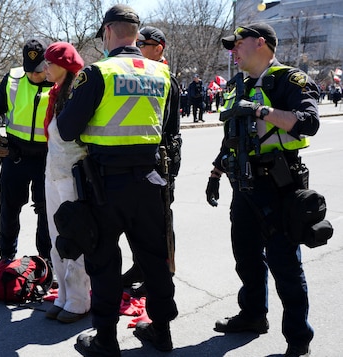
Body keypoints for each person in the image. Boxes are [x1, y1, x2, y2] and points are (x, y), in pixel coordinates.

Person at [56, 5, 178, 354]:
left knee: (104, 261)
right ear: (136, 35)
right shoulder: (162, 74)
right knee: (154, 259)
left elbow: (66, 130)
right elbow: (168, 130)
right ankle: (162, 331)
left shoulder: (98, 73)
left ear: (108, 31)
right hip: (150, 181)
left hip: (104, 185)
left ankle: (106, 340)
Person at [205, 23, 321, 357]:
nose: (233, 51)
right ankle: (253, 315)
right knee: (246, 255)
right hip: (243, 183)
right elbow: (234, 134)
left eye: (238, 44)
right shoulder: (237, 82)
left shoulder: (288, 79)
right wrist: (215, 170)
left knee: (285, 263)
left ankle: (298, 340)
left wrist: (261, 110)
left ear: (260, 43)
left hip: (278, 184)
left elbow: (309, 121)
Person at [121, 25, 182, 294]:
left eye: (143, 44)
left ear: (159, 48)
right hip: (141, 158)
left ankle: (162, 273)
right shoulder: (140, 75)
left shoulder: (165, 77)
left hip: (162, 158)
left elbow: (166, 124)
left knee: (159, 222)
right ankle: (140, 266)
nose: (139, 48)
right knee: (135, 220)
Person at [0, 39, 54, 261]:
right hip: (16, 156)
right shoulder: (13, 78)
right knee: (9, 207)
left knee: (46, 211)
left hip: (47, 157)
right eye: (30, 70)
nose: (34, 75)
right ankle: (6, 256)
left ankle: (45, 259)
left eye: (39, 70)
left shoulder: (60, 82)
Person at [41, 42, 91, 324]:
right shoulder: (55, 93)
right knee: (55, 237)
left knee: (73, 237)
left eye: (49, 62)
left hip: (72, 174)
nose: (45, 67)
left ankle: (79, 299)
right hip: (54, 172)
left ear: (64, 65)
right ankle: (65, 293)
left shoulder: (78, 92)